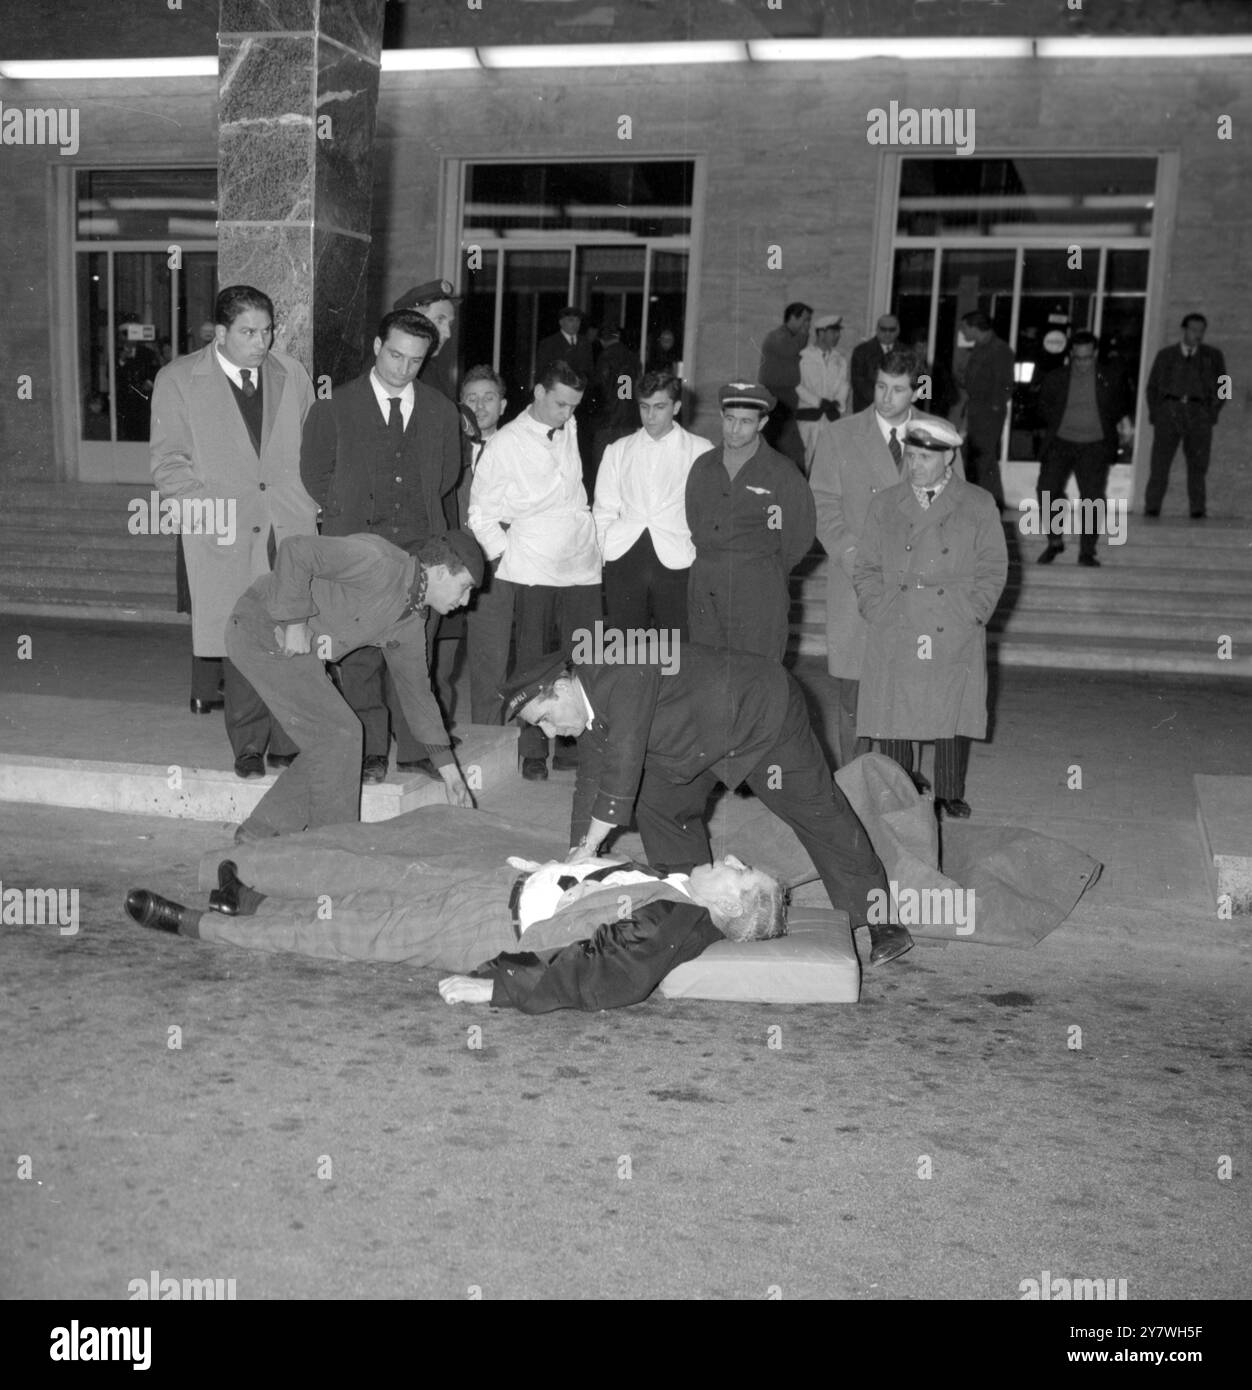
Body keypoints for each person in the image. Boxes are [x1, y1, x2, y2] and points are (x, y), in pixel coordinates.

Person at [503, 647, 912, 966]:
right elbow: (591, 780)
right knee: (656, 806)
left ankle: (880, 918)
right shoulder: (586, 711)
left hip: (757, 715)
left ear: (560, 688)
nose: (550, 733)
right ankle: (690, 910)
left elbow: (624, 761)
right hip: (687, 743)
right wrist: (577, 860)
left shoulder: (620, 667)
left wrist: (594, 841)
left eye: (545, 718)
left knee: (818, 813)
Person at [124, 850, 785, 1013]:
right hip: (496, 893)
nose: (729, 861)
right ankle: (252, 903)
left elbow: (600, 973)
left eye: (741, 873)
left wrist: (499, 989)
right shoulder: (673, 890)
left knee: (349, 934)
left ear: (737, 911)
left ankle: (198, 925)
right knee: (362, 903)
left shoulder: (679, 921)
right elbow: (598, 896)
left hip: (486, 926)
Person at [150, 284, 315, 778]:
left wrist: (314, 501)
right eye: (248, 332)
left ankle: (290, 739)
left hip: (288, 522)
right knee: (239, 636)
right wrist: (208, 515)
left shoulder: (293, 373)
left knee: (294, 629)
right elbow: (168, 461)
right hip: (224, 527)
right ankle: (248, 746)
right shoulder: (178, 379)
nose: (262, 342)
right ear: (220, 333)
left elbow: (313, 444)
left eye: (267, 330)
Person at [223, 530, 482, 842]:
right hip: (261, 627)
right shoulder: (378, 562)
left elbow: (419, 697)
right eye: (465, 587)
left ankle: (260, 833)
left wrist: (452, 776)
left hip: (296, 655)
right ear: (440, 572)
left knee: (335, 738)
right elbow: (296, 550)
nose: (466, 601)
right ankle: (333, 847)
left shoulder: (411, 620)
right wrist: (294, 621)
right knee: (339, 734)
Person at [299, 309, 461, 782]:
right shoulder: (334, 405)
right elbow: (315, 474)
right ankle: (369, 748)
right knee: (360, 653)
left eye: (414, 360)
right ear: (375, 346)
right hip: (357, 549)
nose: (402, 368)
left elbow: (446, 476)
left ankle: (416, 749)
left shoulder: (440, 410)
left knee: (416, 652)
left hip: (419, 548)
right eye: (394, 355)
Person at [809, 350, 963, 770]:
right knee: (853, 697)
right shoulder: (839, 435)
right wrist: (852, 552)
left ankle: (902, 790)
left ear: (916, 390)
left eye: (897, 389)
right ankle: (852, 786)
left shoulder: (936, 435)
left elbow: (957, 507)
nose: (886, 397)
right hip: (857, 584)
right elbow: (822, 503)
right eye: (880, 386)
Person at [853, 421, 1008, 820]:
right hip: (897, 615)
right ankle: (900, 784)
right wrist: (876, 606)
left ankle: (949, 792)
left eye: (926, 457)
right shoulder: (885, 503)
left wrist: (973, 611)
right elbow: (866, 564)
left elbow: (993, 567)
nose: (915, 465)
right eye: (911, 455)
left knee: (950, 706)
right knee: (895, 708)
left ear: (949, 457)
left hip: (951, 617)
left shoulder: (977, 503)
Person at [467, 359, 602, 781]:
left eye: (574, 406)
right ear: (539, 393)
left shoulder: (571, 425)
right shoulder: (505, 444)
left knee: (589, 656)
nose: (567, 414)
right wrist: (511, 559)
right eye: (560, 404)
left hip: (581, 563)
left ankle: (583, 746)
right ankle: (533, 752)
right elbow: (481, 515)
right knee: (534, 662)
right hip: (532, 568)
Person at [685, 382, 816, 663]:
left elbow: (798, 536)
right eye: (730, 419)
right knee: (706, 673)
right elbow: (694, 519)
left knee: (756, 677)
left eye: (745, 422)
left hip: (757, 588)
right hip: (706, 585)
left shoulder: (782, 473)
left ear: (763, 422)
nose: (734, 429)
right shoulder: (703, 467)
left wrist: (761, 571)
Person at [593, 369, 712, 637]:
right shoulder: (618, 450)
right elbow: (603, 509)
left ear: (676, 407)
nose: (650, 416)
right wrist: (604, 552)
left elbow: (708, 513)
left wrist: (698, 556)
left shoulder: (701, 450)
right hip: (625, 556)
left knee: (677, 645)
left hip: (679, 558)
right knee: (626, 646)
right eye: (644, 407)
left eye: (660, 407)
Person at [1035, 330, 1128, 567]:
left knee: (1092, 498)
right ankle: (1055, 541)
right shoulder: (1056, 377)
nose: (1083, 363)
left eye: (1088, 358)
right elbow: (1043, 405)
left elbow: (1120, 405)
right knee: (1047, 490)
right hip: (1061, 443)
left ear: (1095, 354)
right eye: (1078, 358)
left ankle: (1087, 551)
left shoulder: (1111, 376)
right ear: (1071, 355)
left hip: (1095, 446)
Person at [454, 366, 514, 724]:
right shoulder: (447, 445)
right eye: (471, 399)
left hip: (497, 564)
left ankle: (487, 735)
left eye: (488, 397)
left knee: (491, 657)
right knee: (440, 658)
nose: (479, 406)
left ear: (503, 404)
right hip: (450, 560)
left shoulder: (519, 450)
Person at [1144, 313, 1227, 519]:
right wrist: (1157, 412)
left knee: (1198, 465)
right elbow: (1152, 386)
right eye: (1193, 330)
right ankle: (1152, 507)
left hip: (1199, 413)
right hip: (1169, 411)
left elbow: (1225, 387)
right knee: (1160, 464)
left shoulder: (1213, 356)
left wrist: (1212, 412)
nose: (1197, 335)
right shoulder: (1166, 355)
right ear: (1184, 330)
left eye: (1201, 331)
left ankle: (1198, 509)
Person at [957, 310, 1015, 510]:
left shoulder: (999, 350)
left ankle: (991, 502)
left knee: (983, 458)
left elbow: (1005, 384)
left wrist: (994, 407)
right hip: (977, 410)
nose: (962, 331)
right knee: (980, 458)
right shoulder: (980, 348)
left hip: (988, 413)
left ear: (974, 327)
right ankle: (989, 502)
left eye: (964, 327)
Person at [757, 301, 812, 468]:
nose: (807, 325)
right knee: (783, 443)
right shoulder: (777, 337)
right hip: (776, 397)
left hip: (786, 397)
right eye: (805, 320)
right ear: (793, 318)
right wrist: (804, 333)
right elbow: (790, 349)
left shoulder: (786, 337)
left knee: (779, 442)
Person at [795, 313, 850, 473]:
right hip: (808, 419)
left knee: (825, 466)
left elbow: (843, 385)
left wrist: (838, 405)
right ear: (821, 333)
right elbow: (797, 385)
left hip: (829, 420)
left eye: (838, 331)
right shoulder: (803, 356)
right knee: (804, 464)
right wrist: (818, 402)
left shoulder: (839, 359)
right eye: (833, 331)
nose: (837, 335)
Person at [392, 277, 459, 402]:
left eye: (449, 324)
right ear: (412, 320)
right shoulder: (387, 367)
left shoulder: (430, 370)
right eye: (439, 320)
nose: (448, 333)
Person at [588, 321, 642, 473]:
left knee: (604, 470)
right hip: (630, 421)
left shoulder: (605, 357)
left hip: (608, 422)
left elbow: (600, 390)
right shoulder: (633, 358)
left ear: (601, 340)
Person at [849, 314, 902, 414]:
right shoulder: (861, 351)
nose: (887, 333)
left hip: (896, 411)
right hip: (867, 410)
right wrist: (883, 399)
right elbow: (858, 383)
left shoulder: (904, 352)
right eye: (883, 329)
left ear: (898, 330)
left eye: (891, 330)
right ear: (877, 329)